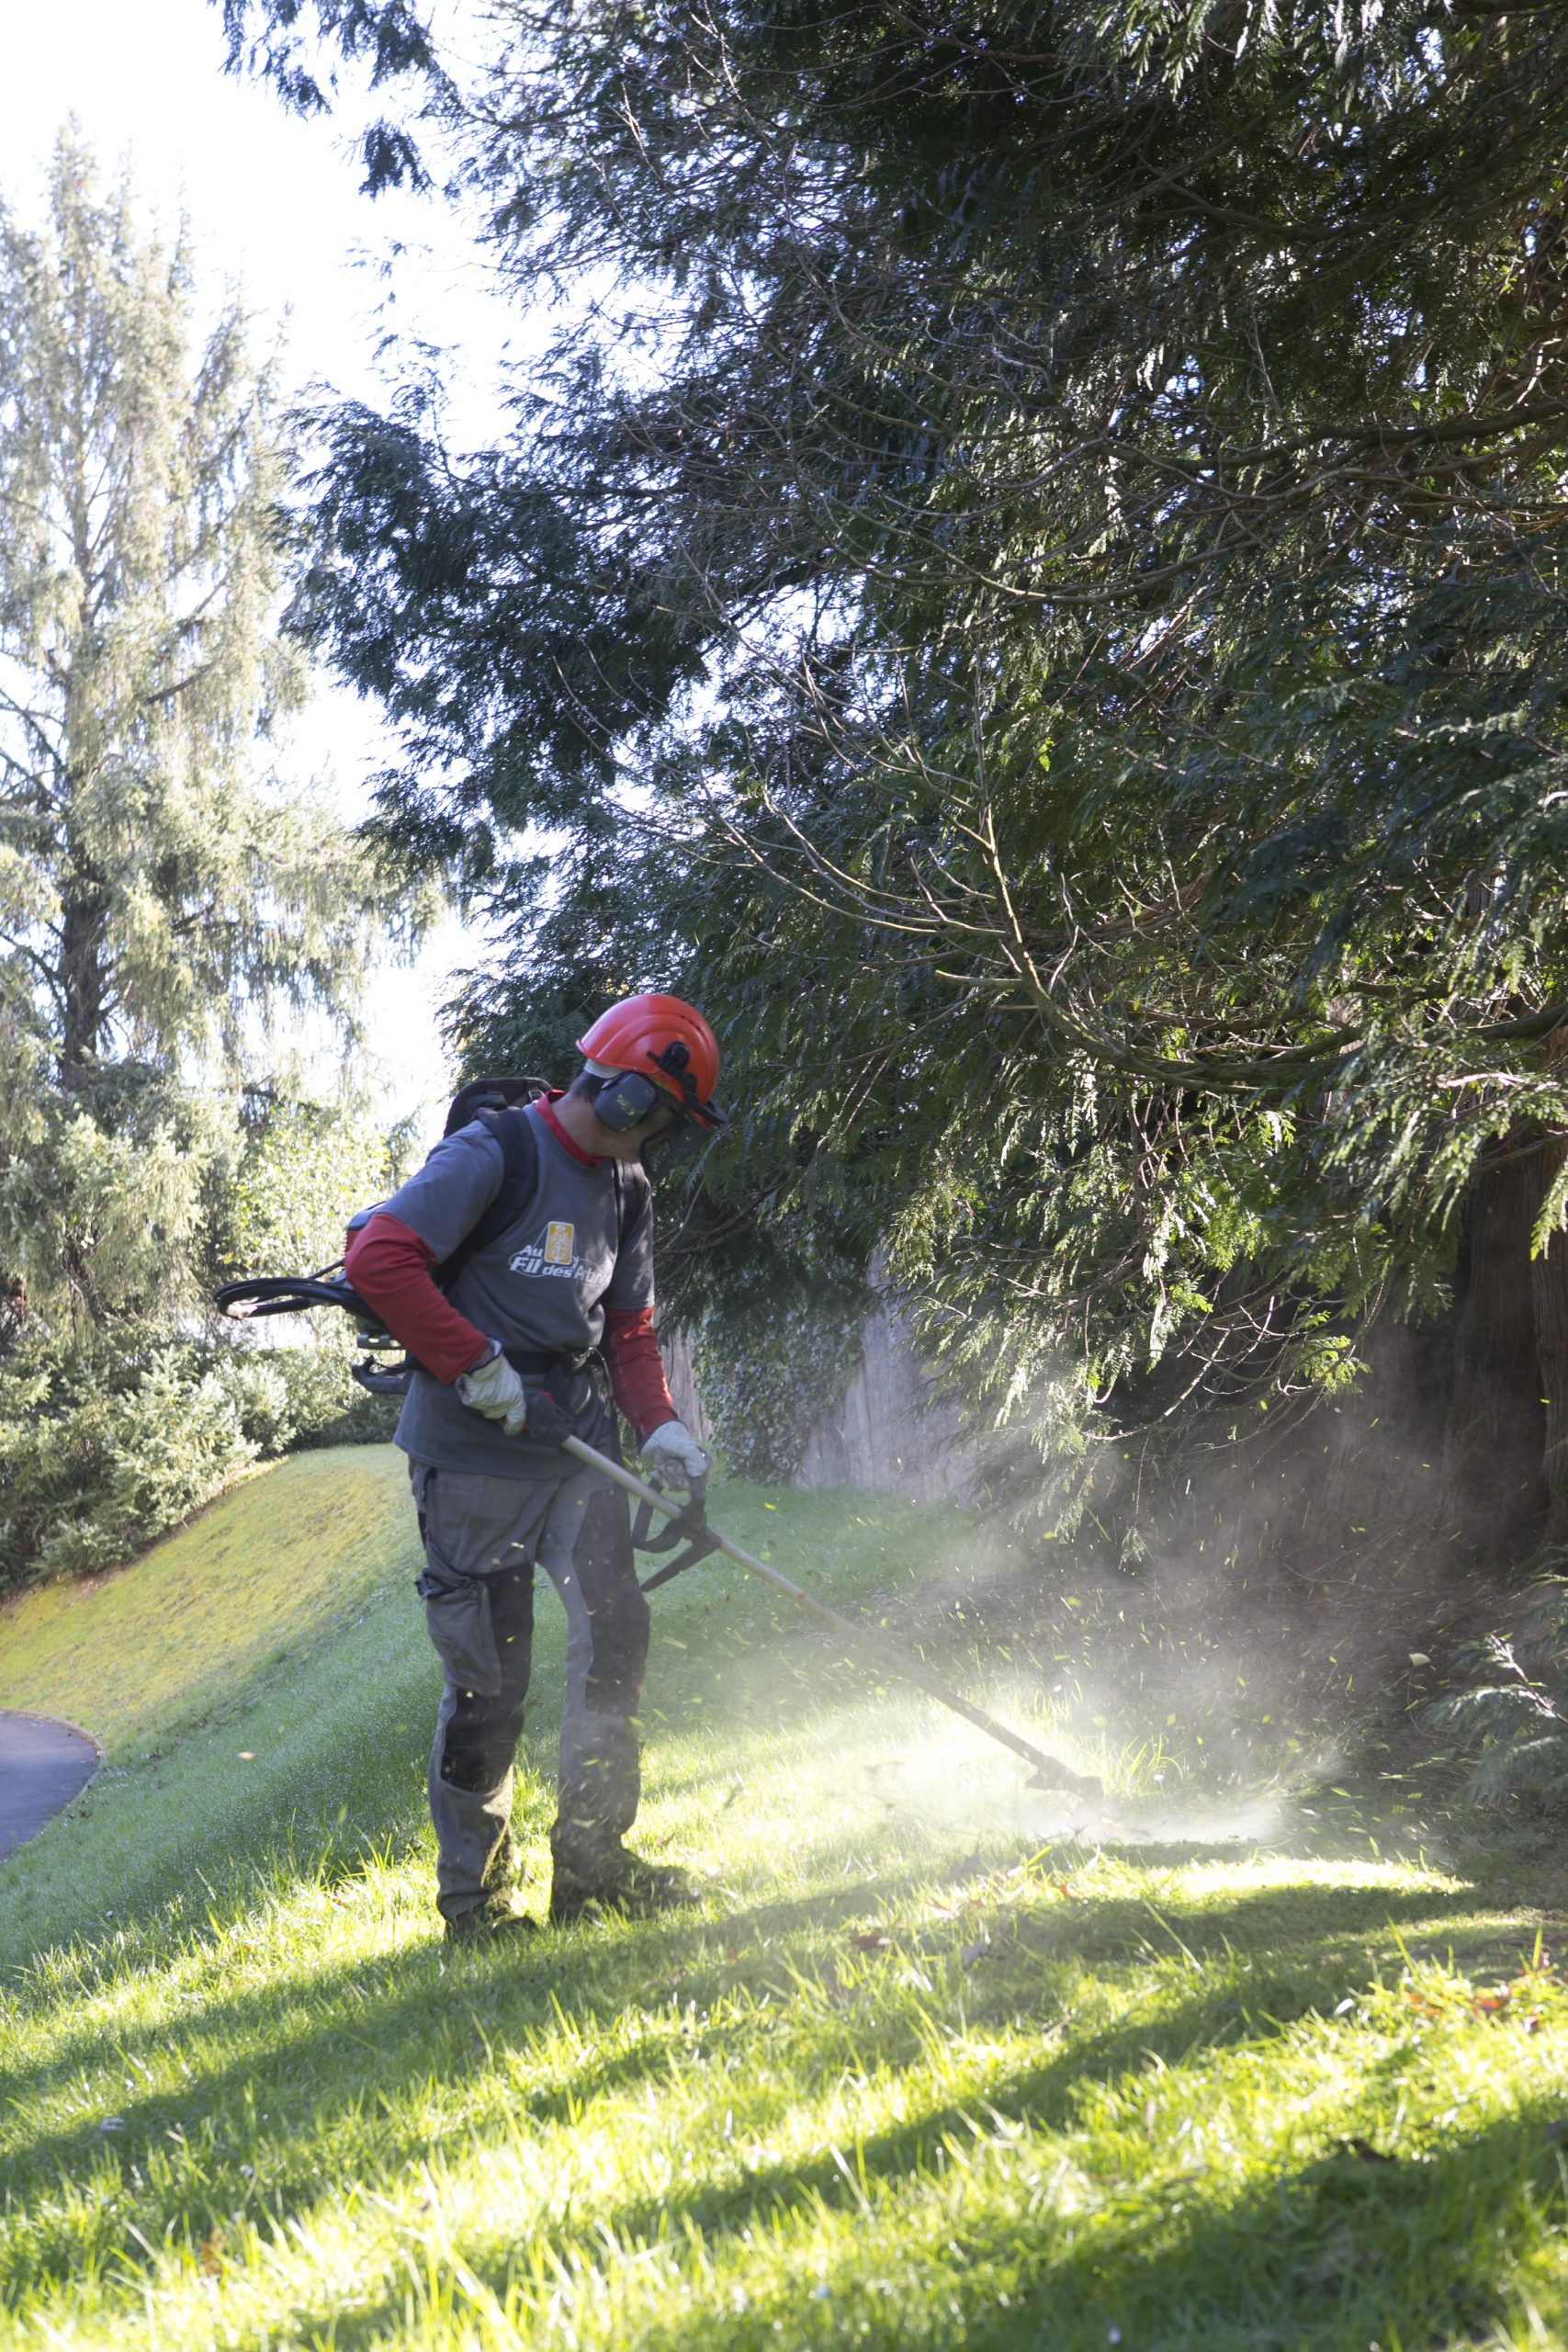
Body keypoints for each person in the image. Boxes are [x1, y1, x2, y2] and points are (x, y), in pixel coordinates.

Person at [344, 992, 721, 1940]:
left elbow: (627, 1325)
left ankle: (593, 1867)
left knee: (614, 1632)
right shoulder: (496, 1154)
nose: (665, 1140)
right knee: (492, 1678)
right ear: (633, 1095)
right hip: (474, 1457)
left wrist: (660, 1425)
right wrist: (477, 1366)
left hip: (576, 1442)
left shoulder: (627, 1186)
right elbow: (380, 1258)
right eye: (667, 1120)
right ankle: (478, 1907)